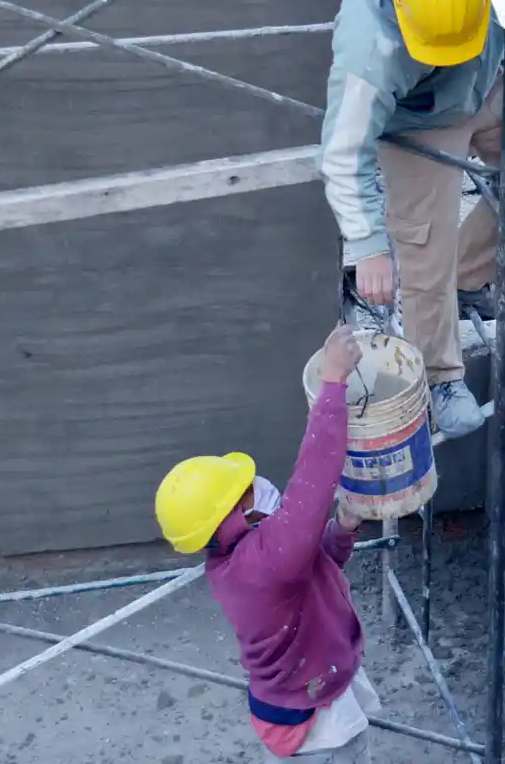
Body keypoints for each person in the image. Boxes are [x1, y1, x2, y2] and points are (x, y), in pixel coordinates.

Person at [318, 0, 505, 442]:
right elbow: (343, 154)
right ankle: (439, 378)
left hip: (488, 75)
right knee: (421, 249)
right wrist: (368, 244)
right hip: (418, 119)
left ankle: (471, 279)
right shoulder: (369, 53)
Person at [154, 323, 377, 762]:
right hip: (317, 725)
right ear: (231, 517)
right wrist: (332, 384)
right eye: (247, 489)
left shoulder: (242, 561)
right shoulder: (262, 562)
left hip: (304, 688)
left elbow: (314, 570)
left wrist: (343, 529)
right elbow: (311, 485)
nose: (258, 484)